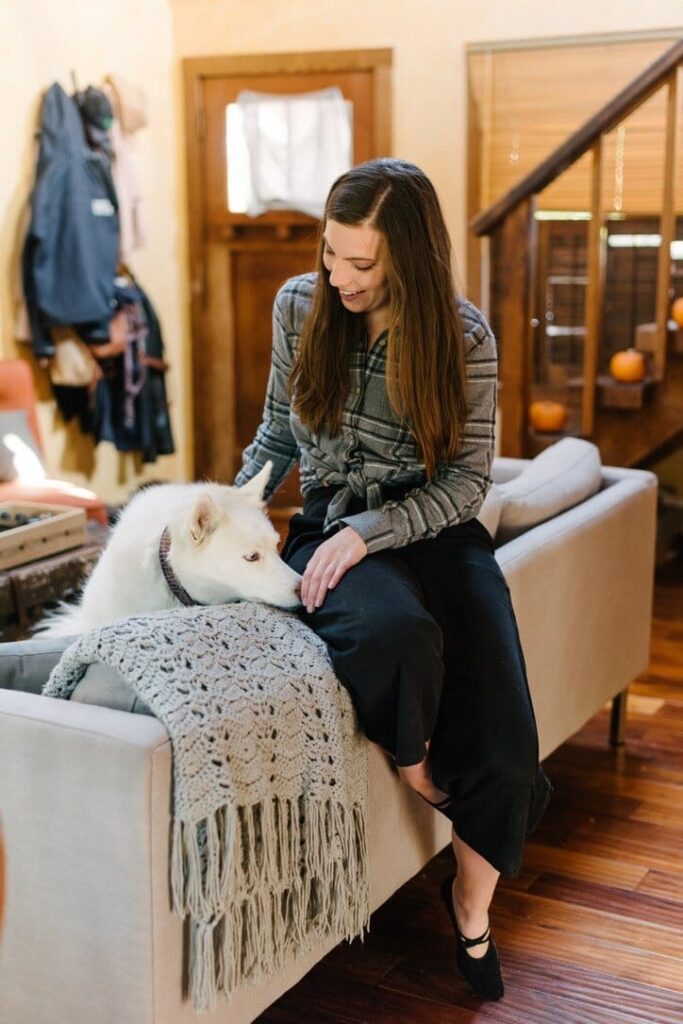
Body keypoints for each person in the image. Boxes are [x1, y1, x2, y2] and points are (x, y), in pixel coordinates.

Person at [235, 157, 553, 1001]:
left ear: (408, 258)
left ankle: (472, 907)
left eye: (362, 264)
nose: (339, 275)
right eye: (331, 254)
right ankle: (415, 765)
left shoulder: (463, 335)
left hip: (434, 535)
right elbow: (275, 434)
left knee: (505, 741)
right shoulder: (299, 306)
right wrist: (229, 516)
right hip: (327, 528)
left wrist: (375, 533)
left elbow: (465, 487)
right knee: (393, 634)